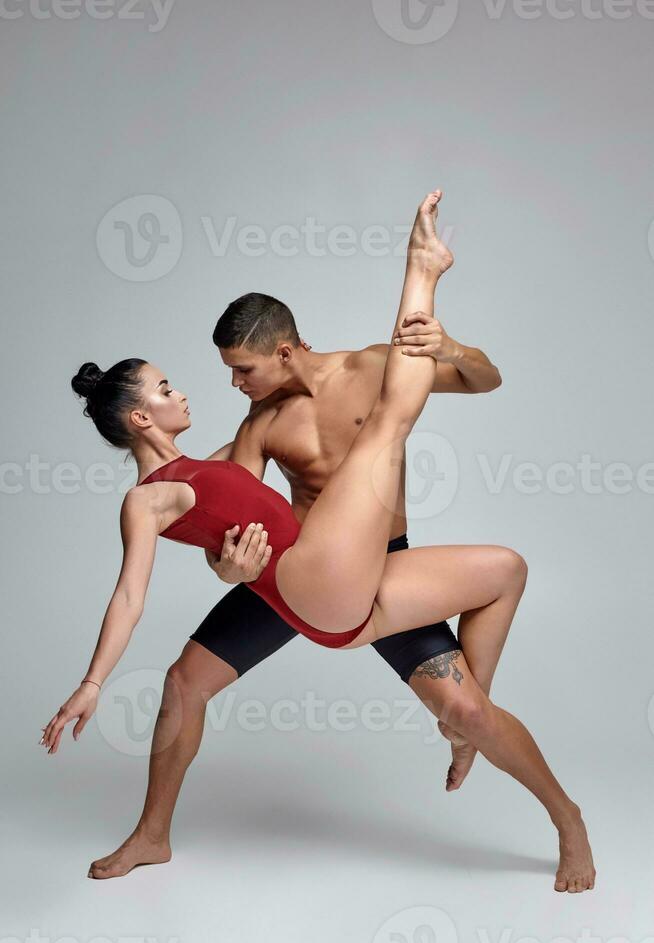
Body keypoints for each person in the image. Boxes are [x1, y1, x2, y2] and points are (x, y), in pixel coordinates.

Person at [41, 190, 595, 893]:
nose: (236, 386)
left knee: (469, 702)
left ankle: (555, 810)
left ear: (284, 350)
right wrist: (224, 567)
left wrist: (449, 347)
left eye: (244, 370)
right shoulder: (257, 427)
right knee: (183, 685)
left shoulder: (369, 367)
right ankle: (152, 835)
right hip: (292, 575)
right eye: (224, 374)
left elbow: (486, 379)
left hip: (370, 569)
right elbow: (221, 520)